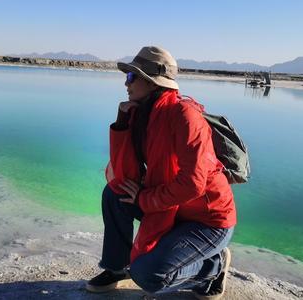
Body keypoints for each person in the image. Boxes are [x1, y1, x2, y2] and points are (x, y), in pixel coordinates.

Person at [86, 46, 237, 299]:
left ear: (152, 82)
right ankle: (116, 268)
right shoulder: (143, 113)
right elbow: (124, 175)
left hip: (207, 222)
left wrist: (144, 199)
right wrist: (122, 123)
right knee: (115, 193)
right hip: (173, 208)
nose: (126, 83)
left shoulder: (185, 117)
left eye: (132, 77)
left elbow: (192, 184)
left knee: (147, 276)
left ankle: (214, 266)